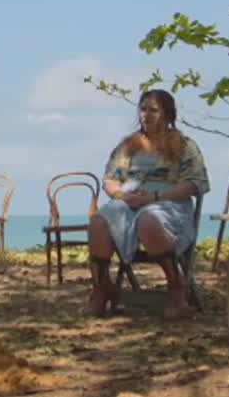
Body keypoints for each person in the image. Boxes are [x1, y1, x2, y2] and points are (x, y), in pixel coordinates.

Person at [85, 88, 210, 320]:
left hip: (168, 203)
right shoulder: (128, 145)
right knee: (99, 222)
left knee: (148, 219)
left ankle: (176, 288)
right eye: (143, 109)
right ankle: (102, 287)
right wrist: (122, 196)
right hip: (128, 200)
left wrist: (153, 198)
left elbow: (194, 184)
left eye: (153, 110)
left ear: (168, 114)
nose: (146, 115)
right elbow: (110, 180)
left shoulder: (184, 145)